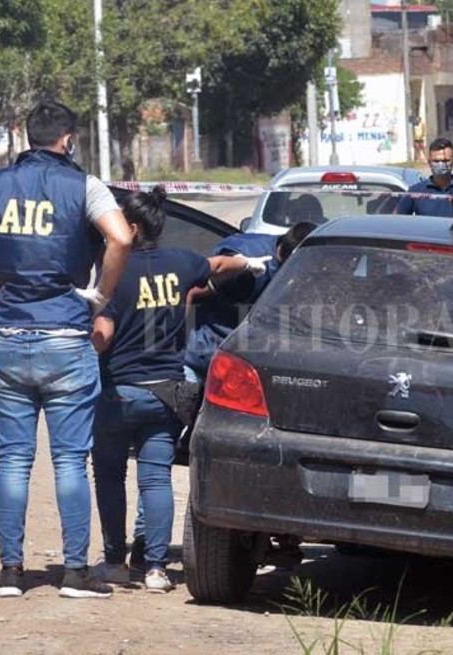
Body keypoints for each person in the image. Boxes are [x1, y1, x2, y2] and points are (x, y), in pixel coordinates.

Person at [0, 99, 133, 600]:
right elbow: (120, 238)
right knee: (70, 461)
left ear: (29, 137)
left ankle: (10, 572)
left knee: (12, 459)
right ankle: (75, 573)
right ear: (68, 139)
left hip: (7, 336)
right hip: (66, 336)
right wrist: (99, 296)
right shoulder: (85, 185)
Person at [90, 186, 269, 593]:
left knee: (110, 477)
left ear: (131, 228)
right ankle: (156, 569)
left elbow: (104, 333)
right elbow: (220, 264)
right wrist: (252, 264)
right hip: (166, 394)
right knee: (155, 479)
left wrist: (82, 342)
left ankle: (115, 562)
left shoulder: (114, 270)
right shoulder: (182, 263)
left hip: (119, 392)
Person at [183, 222, 319, 382]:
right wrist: (238, 266)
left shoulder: (291, 253)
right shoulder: (249, 267)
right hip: (204, 353)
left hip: (245, 357)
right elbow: (193, 288)